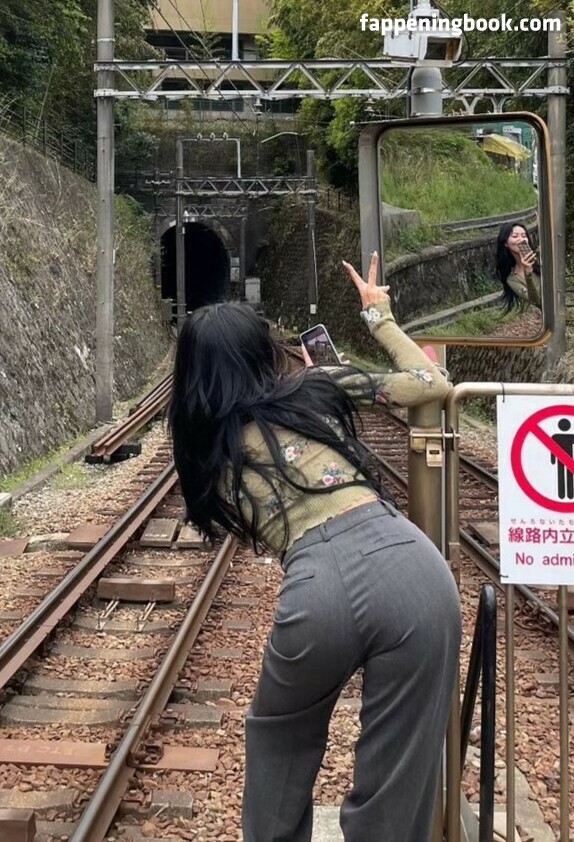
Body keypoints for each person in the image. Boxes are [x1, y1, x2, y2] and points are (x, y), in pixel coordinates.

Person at [168, 252, 462, 842]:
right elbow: (434, 384)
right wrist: (377, 317)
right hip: (417, 571)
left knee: (280, 741)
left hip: (319, 589)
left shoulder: (205, 453)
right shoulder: (313, 387)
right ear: (263, 353)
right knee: (400, 771)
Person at [496, 222, 542, 312]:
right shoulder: (513, 279)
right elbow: (536, 301)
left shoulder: (541, 258)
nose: (521, 239)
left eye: (524, 236)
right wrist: (528, 274)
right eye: (515, 236)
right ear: (506, 243)